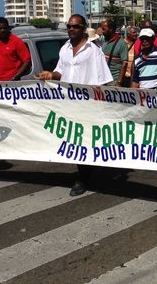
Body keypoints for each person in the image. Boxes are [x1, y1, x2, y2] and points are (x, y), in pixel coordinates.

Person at [38, 14, 113, 196]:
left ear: (83, 28)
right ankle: (85, 170)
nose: (71, 30)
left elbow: (102, 80)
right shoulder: (64, 49)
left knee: (83, 140)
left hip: (87, 103)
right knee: (73, 138)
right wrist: (50, 75)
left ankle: (83, 177)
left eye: (76, 27)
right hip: (67, 102)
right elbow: (60, 71)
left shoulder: (93, 51)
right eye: (69, 27)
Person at [0, 17, 31, 82]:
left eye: (4, 28)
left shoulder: (17, 42)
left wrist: (15, 77)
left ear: (8, 28)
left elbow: (27, 61)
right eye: (0, 28)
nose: (2, 30)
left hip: (9, 81)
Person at [100, 19, 128, 86]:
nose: (102, 31)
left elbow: (124, 64)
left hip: (113, 81)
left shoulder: (121, 43)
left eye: (104, 29)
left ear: (111, 29)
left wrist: (118, 82)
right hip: (103, 80)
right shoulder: (104, 41)